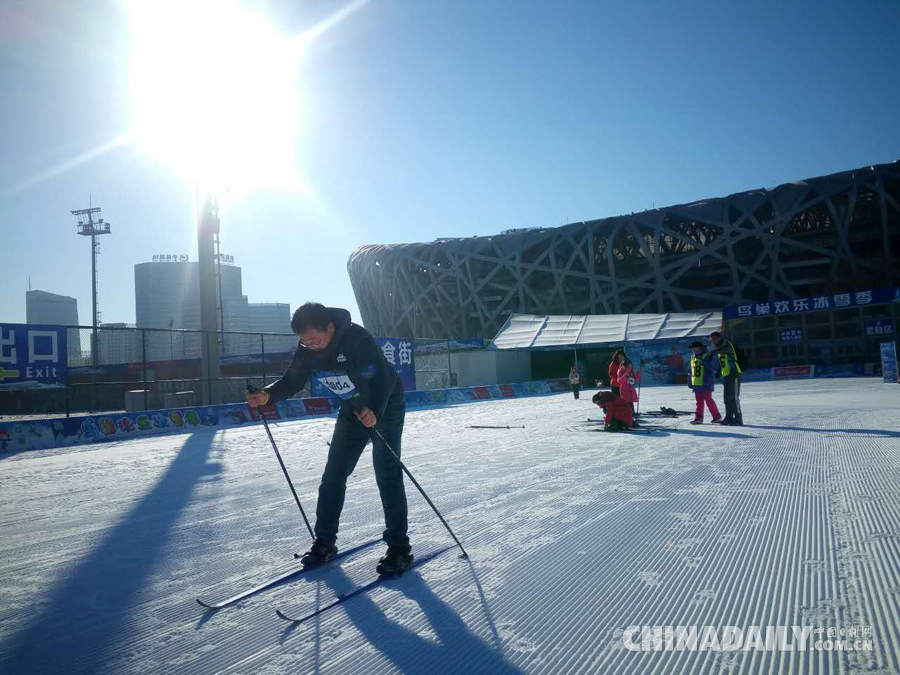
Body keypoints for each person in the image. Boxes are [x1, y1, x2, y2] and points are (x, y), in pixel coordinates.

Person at [246, 302, 412, 575]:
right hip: (352, 409)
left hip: (385, 406)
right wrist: (267, 395)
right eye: (304, 341)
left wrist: (376, 411)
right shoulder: (308, 350)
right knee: (333, 474)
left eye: (314, 339)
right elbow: (292, 380)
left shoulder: (357, 339)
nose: (310, 345)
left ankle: (399, 548)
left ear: (330, 327)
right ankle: (325, 541)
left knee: (387, 472)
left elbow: (381, 379)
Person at [709, 331, 743, 426]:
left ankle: (738, 419)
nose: (713, 341)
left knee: (734, 398)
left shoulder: (726, 344)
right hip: (727, 375)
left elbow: (724, 350)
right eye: (712, 340)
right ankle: (729, 418)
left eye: (715, 339)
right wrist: (720, 371)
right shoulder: (719, 348)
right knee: (727, 398)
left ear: (720, 337)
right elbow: (724, 361)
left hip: (734, 373)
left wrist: (712, 352)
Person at [687, 341, 722, 425]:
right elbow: (690, 371)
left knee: (708, 400)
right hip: (697, 383)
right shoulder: (692, 357)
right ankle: (698, 418)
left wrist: (703, 361)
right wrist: (690, 382)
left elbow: (711, 369)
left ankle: (717, 417)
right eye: (692, 348)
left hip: (706, 382)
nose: (693, 349)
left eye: (695, 347)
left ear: (700, 347)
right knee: (699, 402)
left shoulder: (707, 356)